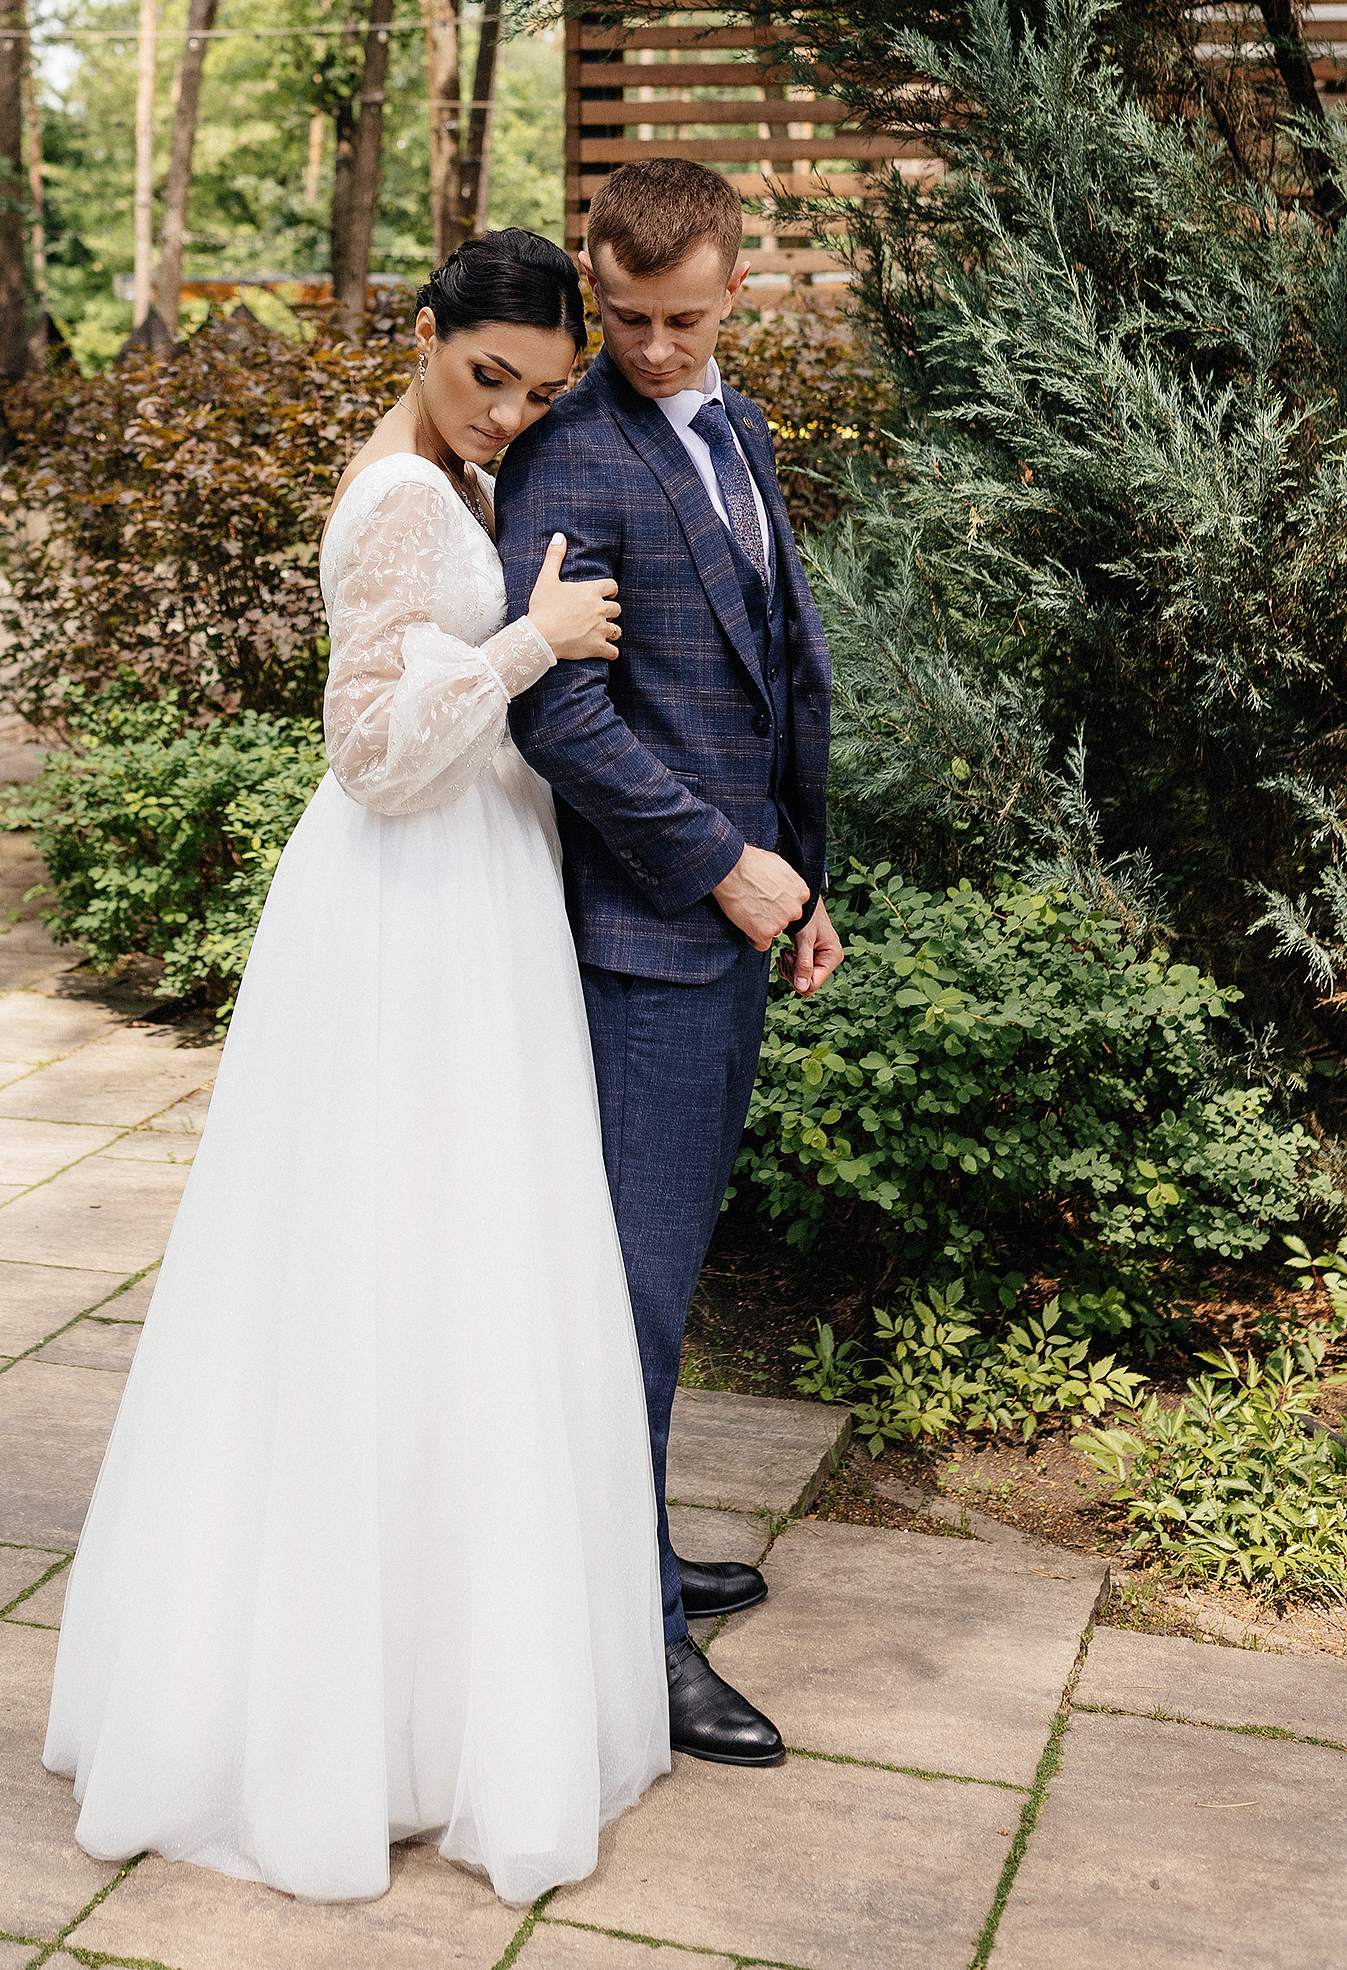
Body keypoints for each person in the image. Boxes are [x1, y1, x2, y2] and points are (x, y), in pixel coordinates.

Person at [44, 229, 671, 1906]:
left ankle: (413, 1693)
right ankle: (357, 1718)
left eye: (540, 389)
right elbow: (376, 753)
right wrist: (536, 643)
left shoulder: (434, 477)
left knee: (434, 1283)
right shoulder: (402, 499)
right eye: (487, 376)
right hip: (410, 910)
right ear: (423, 334)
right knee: (404, 1268)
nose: (510, 414)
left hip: (453, 903)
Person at [495, 158, 844, 1773]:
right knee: (628, 1304)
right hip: (642, 942)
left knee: (663, 1284)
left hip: (732, 923)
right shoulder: (568, 453)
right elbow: (555, 710)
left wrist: (802, 883)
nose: (649, 348)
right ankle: (632, 1637)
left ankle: (637, 1557)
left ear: (734, 286)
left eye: (682, 319)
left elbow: (769, 674)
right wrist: (721, 867)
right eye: (625, 318)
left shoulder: (738, 422)